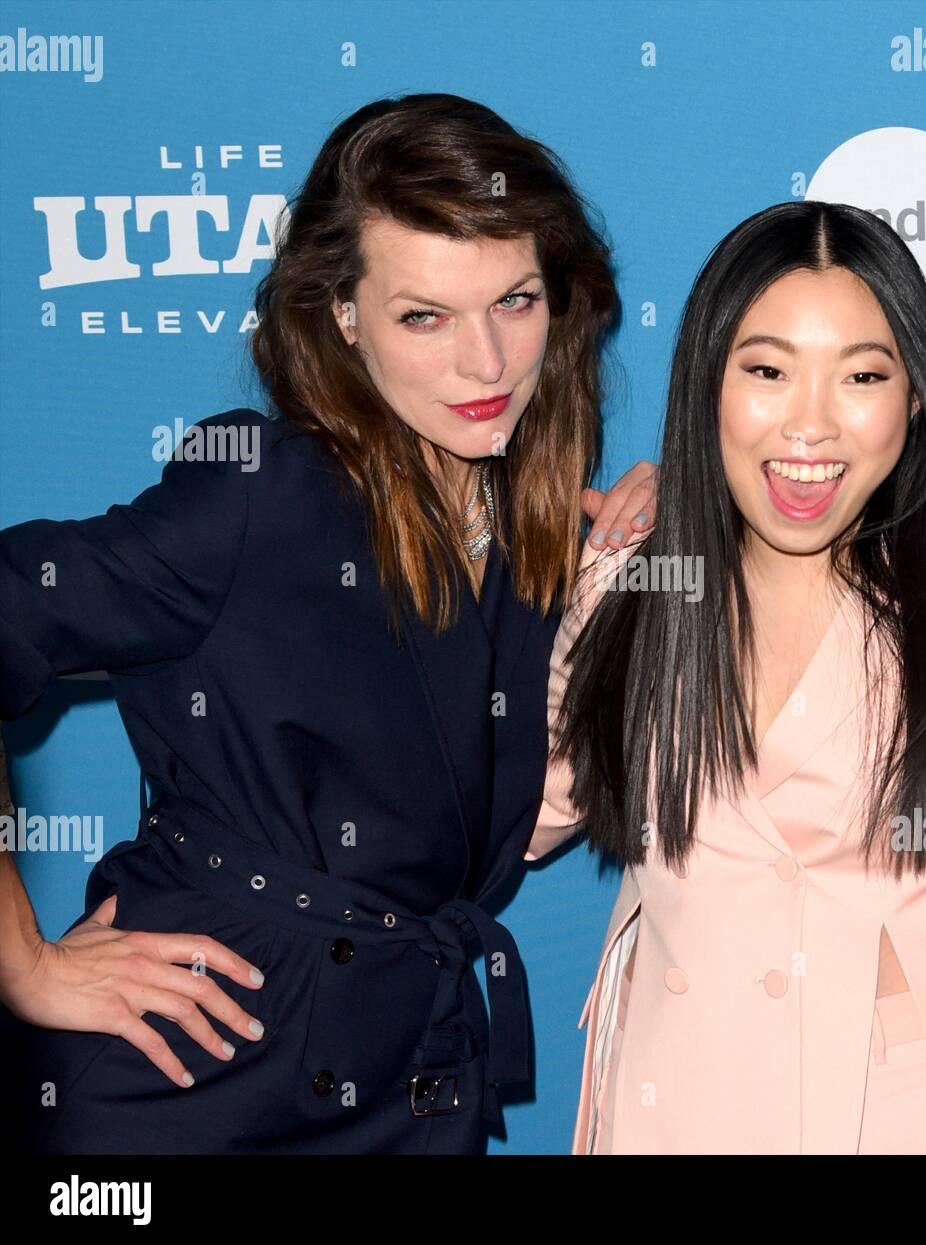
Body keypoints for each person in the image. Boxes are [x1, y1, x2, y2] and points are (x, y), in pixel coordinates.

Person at [0, 92, 656, 1155]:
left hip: (415, 1075)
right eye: (424, 317)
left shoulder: (533, 518)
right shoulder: (258, 492)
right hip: (185, 1086)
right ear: (341, 317)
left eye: (516, 301)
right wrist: (21, 962)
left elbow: (522, 812)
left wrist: (658, 554)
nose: (486, 366)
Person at [527, 200, 926, 1155]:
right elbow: (513, 815)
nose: (810, 426)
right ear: (709, 386)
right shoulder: (638, 579)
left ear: (915, 395)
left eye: (862, 375)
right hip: (678, 1114)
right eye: (768, 371)